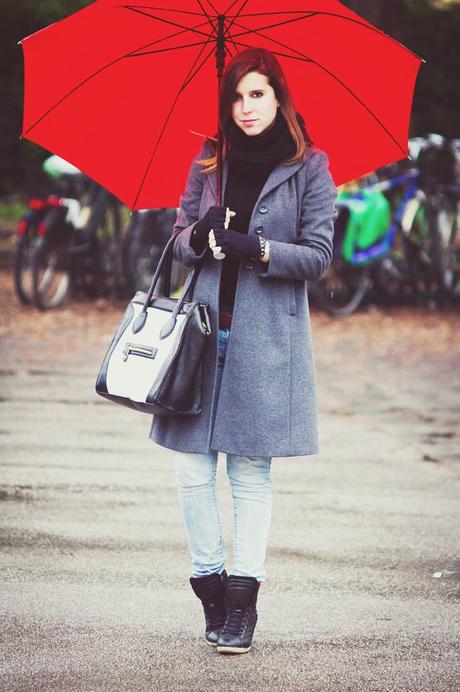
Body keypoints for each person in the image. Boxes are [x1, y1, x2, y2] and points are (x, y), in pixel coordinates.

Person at [149, 46, 337, 655]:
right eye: (236, 95)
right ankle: (209, 583)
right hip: (201, 335)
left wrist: (255, 248)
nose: (246, 107)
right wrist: (199, 238)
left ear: (278, 96)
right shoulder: (209, 160)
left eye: (257, 94)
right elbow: (177, 239)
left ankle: (243, 604)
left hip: (264, 339)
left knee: (250, 473)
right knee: (191, 469)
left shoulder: (310, 167)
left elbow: (317, 256)